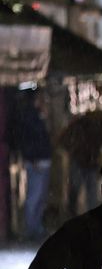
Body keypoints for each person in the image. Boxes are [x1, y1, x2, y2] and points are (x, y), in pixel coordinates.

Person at [6, 88, 53, 240]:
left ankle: (35, 227)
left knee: (38, 196)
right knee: (34, 196)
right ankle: (31, 229)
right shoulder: (29, 116)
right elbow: (29, 139)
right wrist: (33, 158)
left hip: (40, 160)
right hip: (37, 161)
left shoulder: (34, 115)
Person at [59, 110, 102, 214]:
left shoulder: (88, 124)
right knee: (84, 192)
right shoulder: (85, 124)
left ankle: (75, 214)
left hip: (86, 162)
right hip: (83, 161)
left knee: (85, 192)